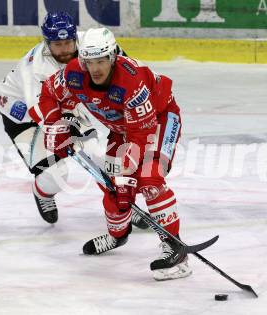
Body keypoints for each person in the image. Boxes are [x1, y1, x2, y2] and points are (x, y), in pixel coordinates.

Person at [32, 27, 191, 281]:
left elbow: (141, 134)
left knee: (149, 180)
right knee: (113, 185)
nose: (95, 68)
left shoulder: (132, 81)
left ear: (113, 57)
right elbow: (50, 93)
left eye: (101, 61)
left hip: (157, 121)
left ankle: (177, 250)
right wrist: (57, 124)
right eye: (89, 61)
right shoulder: (74, 73)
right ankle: (118, 235)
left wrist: (128, 179)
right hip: (123, 127)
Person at [0, 12, 148, 230]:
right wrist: (63, 133)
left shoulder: (92, 44)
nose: (64, 49)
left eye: (68, 42)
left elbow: (124, 65)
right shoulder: (35, 68)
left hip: (66, 104)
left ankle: (124, 207)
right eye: (57, 44)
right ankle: (42, 192)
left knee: (100, 155)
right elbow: (41, 111)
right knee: (56, 175)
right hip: (23, 115)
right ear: (47, 43)